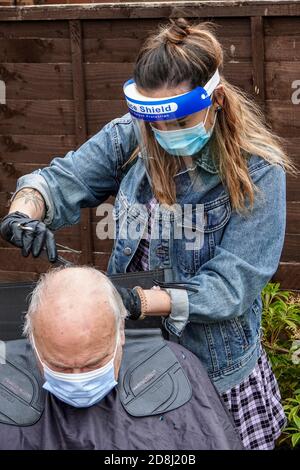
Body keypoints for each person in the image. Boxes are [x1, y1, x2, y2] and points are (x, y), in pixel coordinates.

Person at [0, 18, 297, 450]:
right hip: (136, 353)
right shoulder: (134, 135)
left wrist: (138, 301)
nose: (165, 133)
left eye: (179, 119)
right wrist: (24, 212)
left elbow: (233, 286)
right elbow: (62, 180)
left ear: (214, 100)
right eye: (156, 121)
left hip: (215, 363)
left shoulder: (258, 171)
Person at [0, 266, 243, 450]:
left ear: (121, 335)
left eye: (94, 364)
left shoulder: (178, 369)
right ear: (32, 342)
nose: (79, 380)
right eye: (59, 366)